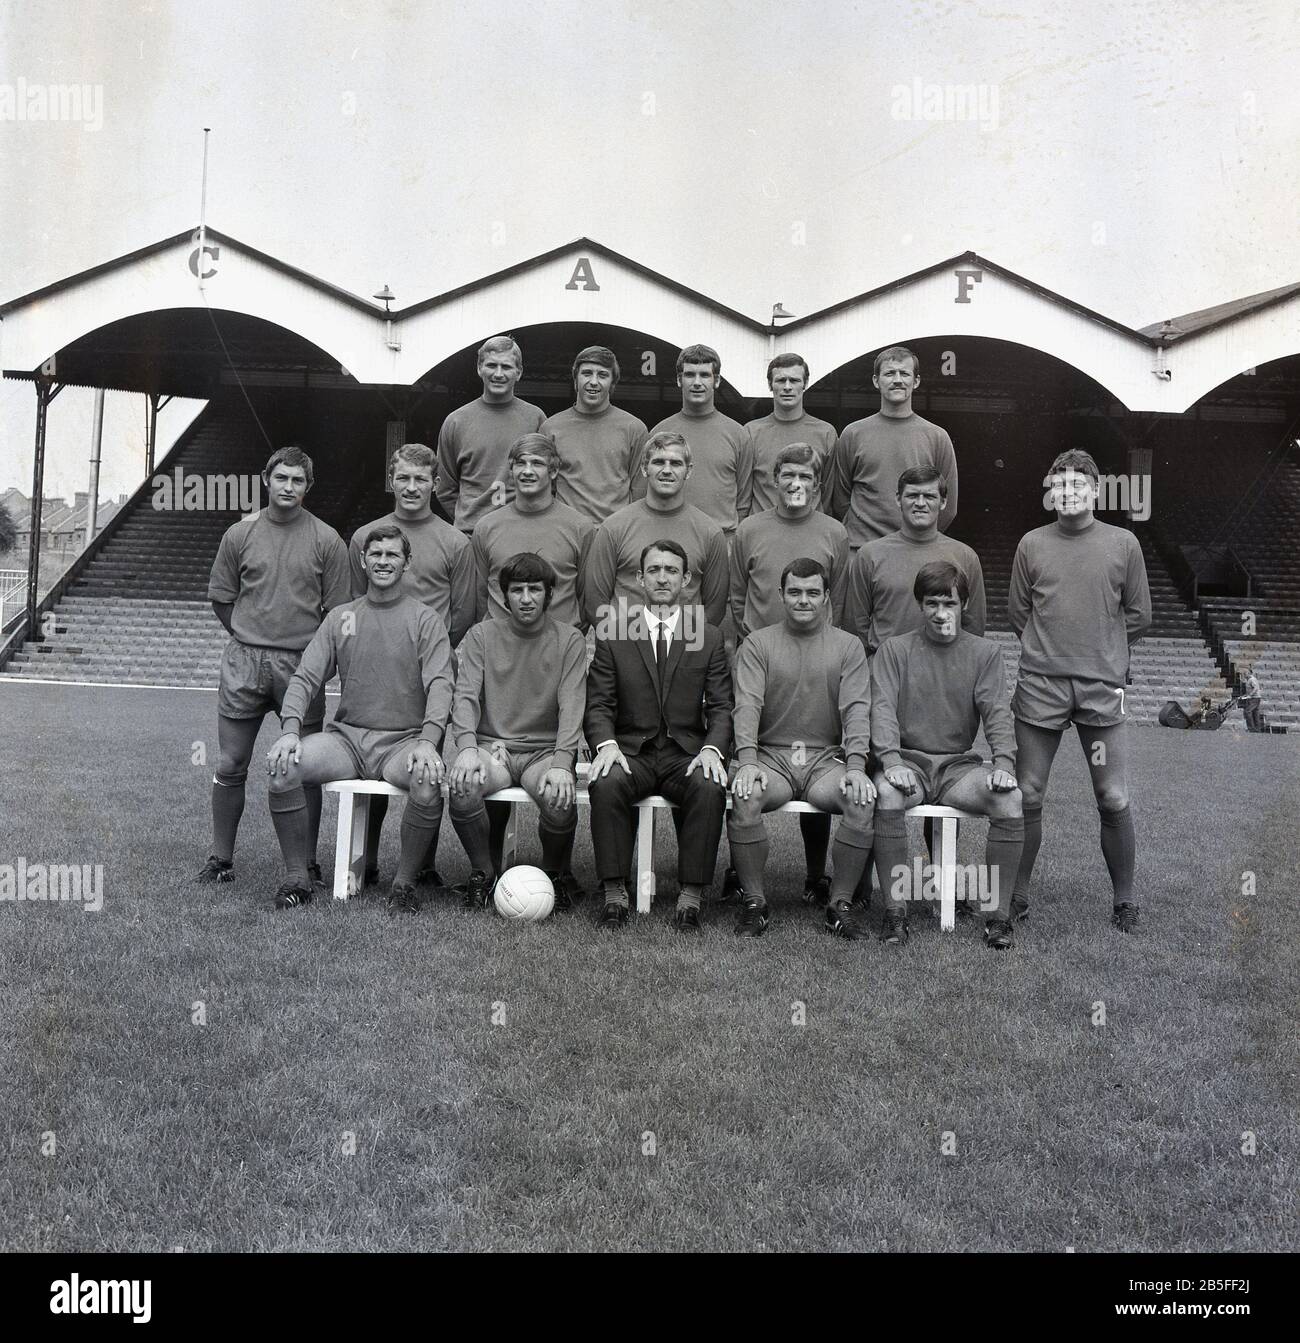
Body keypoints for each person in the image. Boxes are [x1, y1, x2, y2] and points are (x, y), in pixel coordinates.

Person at [264, 524, 454, 914]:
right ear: (363, 561)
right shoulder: (341, 618)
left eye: (392, 555)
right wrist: (289, 731)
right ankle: (297, 878)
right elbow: (306, 677)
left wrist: (427, 741)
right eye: (376, 555)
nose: (383, 561)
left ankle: (403, 885)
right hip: (348, 740)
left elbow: (441, 685)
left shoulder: (424, 619)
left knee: (428, 778)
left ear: (406, 564)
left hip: (403, 741)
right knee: (283, 768)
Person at [1008, 450, 1152, 932]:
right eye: (1059, 486)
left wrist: (1101, 651)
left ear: (1095, 490)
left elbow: (1139, 614)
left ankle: (1125, 901)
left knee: (1112, 796)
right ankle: (1017, 896)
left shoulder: (1123, 543)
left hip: (1099, 687)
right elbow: (1018, 612)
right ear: (1050, 492)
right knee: (1028, 792)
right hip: (1041, 685)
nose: (1068, 493)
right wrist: (1051, 652)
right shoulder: (1031, 543)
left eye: (1078, 485)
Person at [198, 445, 351, 890]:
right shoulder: (239, 534)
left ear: (308, 487)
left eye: (297, 480)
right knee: (231, 761)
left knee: (304, 764)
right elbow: (221, 598)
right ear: (266, 480)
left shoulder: (327, 540)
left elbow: (338, 614)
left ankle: (306, 863)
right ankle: (221, 859)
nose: (288, 487)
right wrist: (249, 634)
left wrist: (309, 657)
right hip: (245, 661)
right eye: (281, 478)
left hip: (301, 666)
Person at [869, 561, 1024, 949]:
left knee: (1011, 798)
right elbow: (882, 710)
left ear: (964, 604)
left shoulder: (984, 653)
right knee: (886, 793)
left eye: (949, 604)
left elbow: (997, 712)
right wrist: (890, 762)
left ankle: (999, 919)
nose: (941, 613)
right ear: (920, 605)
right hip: (909, 763)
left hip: (957, 766)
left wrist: (1004, 762)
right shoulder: (894, 650)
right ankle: (895, 913)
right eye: (932, 603)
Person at [584, 541, 732, 931]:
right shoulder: (615, 633)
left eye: (671, 570)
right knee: (607, 779)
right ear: (639, 579)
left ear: (686, 580)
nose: (662, 577)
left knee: (708, 783)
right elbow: (598, 703)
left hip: (686, 752)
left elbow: (722, 706)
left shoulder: (709, 636)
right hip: (632, 750)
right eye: (654, 570)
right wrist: (607, 745)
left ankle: (691, 897)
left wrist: (713, 749)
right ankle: (615, 893)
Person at [727, 442, 850, 906]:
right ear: (773, 481)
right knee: (749, 760)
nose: (796, 486)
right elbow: (738, 595)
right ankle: (738, 874)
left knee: (817, 755)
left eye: (805, 479)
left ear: (817, 485)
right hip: (763, 656)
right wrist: (759, 640)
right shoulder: (749, 529)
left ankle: (817, 876)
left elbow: (841, 599)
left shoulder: (835, 533)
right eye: (787, 477)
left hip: (817, 661)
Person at [349, 441, 475, 890]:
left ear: (436, 483)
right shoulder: (366, 536)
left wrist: (431, 651)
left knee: (426, 762)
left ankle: (421, 864)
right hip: (375, 671)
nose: (411, 486)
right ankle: (365, 860)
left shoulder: (455, 541)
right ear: (390, 479)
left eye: (421, 479)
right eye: (403, 477)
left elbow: (463, 611)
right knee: (369, 763)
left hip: (428, 672)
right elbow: (354, 604)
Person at [728, 558, 876, 939]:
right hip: (771, 756)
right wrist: (746, 760)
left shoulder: (848, 646)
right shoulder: (758, 643)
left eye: (813, 593)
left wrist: (856, 765)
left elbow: (857, 709)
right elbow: (747, 704)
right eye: (794, 592)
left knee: (859, 799)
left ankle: (839, 904)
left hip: (824, 759)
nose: (803, 600)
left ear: (827, 597)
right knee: (746, 795)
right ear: (781, 595)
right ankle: (754, 903)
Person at [446, 552, 588, 910]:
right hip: (493, 748)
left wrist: (562, 761)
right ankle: (483, 873)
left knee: (558, 797)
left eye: (535, 590)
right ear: (504, 595)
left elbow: (572, 703)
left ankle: (554, 875)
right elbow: (464, 695)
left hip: (543, 752)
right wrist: (465, 746)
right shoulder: (481, 635)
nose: (526, 599)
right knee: (463, 785)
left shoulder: (569, 639)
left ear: (549, 595)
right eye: (518, 590)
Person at [583, 430, 728, 629]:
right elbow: (595, 603)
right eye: (659, 462)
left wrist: (684, 648)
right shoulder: (614, 528)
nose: (667, 470)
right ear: (644, 468)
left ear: (689, 471)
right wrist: (620, 647)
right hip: (625, 648)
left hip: (684, 651)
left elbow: (715, 609)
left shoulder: (710, 533)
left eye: (676, 463)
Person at [846, 465, 985, 655]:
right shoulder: (870, 555)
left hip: (943, 672)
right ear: (898, 499)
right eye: (912, 496)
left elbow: (973, 626)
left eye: (929, 496)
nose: (920, 503)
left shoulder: (965, 557)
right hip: (886, 673)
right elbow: (855, 626)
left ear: (943, 502)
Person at [828, 346, 958, 549]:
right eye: (889, 373)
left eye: (904, 373)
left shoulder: (937, 437)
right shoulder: (853, 433)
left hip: (915, 548)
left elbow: (948, 507)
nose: (897, 379)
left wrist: (920, 538)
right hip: (860, 547)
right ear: (875, 381)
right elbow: (840, 499)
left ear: (915, 381)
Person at [471, 433, 594, 628]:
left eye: (537, 463)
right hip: (501, 645)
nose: (527, 471)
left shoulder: (580, 527)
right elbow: (479, 595)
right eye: (520, 463)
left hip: (559, 645)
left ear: (553, 472)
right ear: (511, 471)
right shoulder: (486, 527)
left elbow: (586, 596)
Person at [435, 334, 545, 533]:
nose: (498, 374)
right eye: (492, 365)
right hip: (471, 535)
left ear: (519, 372)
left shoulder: (535, 418)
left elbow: (547, 480)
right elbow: (445, 488)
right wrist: (472, 521)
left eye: (507, 367)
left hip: (521, 531)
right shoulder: (456, 421)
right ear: (479, 368)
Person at [648, 344, 752, 538]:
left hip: (723, 540)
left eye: (704, 375)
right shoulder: (660, 432)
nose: (697, 382)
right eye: (690, 375)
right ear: (679, 380)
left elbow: (743, 502)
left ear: (717, 380)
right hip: (669, 539)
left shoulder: (738, 434)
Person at [541, 346, 649, 523]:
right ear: (575, 379)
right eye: (587, 373)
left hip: (616, 534)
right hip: (567, 531)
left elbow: (640, 491)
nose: (593, 381)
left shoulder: (634, 428)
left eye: (603, 375)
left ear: (613, 383)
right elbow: (544, 490)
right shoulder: (550, 428)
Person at [742, 354, 838, 514]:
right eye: (780, 380)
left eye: (794, 380)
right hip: (763, 532)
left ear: (805, 383)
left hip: (810, 532)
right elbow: (744, 492)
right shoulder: (751, 432)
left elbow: (828, 493)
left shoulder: (826, 433)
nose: (787, 386)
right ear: (770, 384)